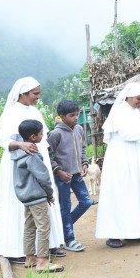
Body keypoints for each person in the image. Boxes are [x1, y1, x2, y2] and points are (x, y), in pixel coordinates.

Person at [0, 77, 65, 263]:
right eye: (35, 94)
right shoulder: (10, 113)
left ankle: (49, 245)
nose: (38, 97)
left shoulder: (35, 111)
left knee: (43, 202)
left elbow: (44, 137)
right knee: (22, 208)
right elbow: (2, 141)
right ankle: (20, 251)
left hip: (38, 159)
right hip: (18, 164)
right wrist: (20, 144)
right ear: (23, 94)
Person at [95, 82, 140, 248]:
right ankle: (115, 234)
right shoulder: (119, 111)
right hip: (122, 159)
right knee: (122, 193)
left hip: (136, 158)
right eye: (138, 98)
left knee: (137, 191)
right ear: (129, 96)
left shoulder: (135, 112)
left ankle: (137, 231)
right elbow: (127, 134)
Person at [12, 119, 64, 273]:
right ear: (33, 137)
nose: (43, 135)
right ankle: (42, 261)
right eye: (42, 133)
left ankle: (29, 258)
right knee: (43, 227)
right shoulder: (33, 155)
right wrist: (49, 194)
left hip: (26, 197)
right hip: (37, 197)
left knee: (29, 227)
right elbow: (43, 177)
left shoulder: (18, 154)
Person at [47, 100, 93, 252]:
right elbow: (48, 155)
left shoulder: (79, 129)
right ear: (61, 116)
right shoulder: (55, 134)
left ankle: (63, 227)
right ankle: (69, 239)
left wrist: (84, 162)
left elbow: (83, 147)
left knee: (86, 201)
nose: (75, 117)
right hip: (63, 177)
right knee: (65, 207)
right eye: (72, 115)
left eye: (77, 114)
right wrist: (58, 171)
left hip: (77, 174)